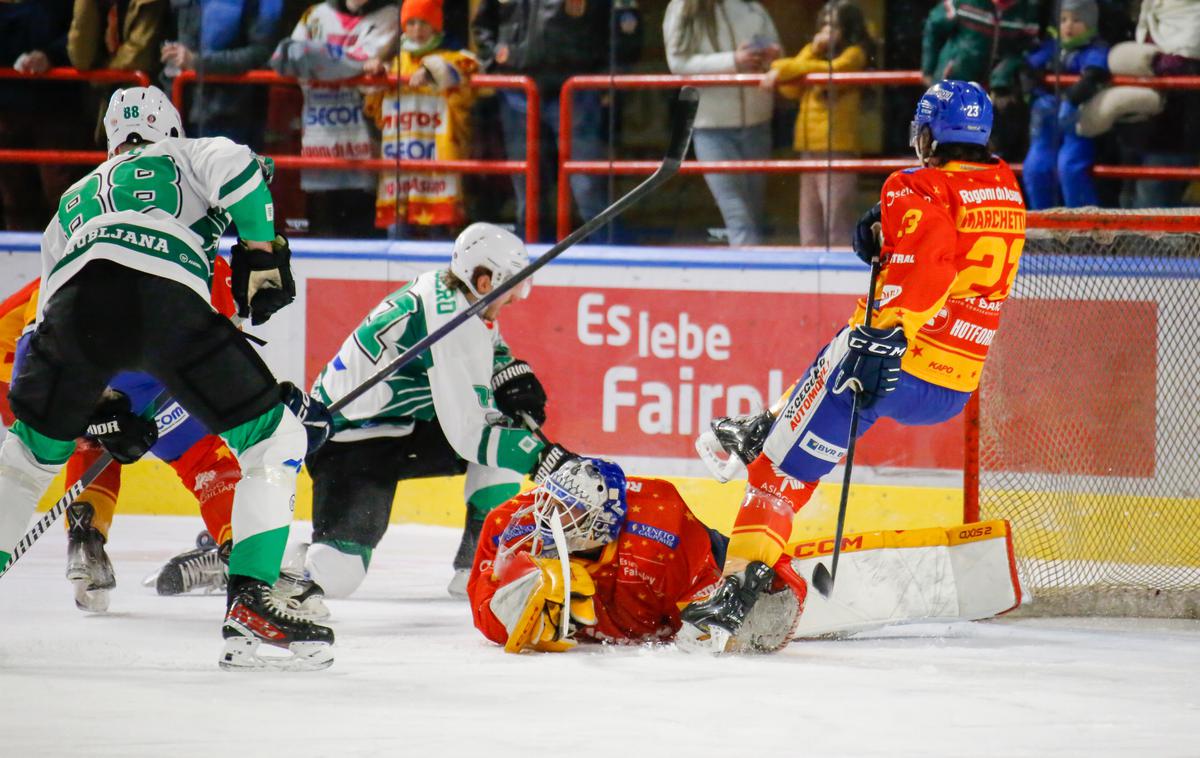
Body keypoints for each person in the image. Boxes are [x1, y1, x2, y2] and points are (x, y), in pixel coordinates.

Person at [0, 85, 334, 671]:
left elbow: (44, 319)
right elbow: (241, 170)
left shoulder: (72, 202)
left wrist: (100, 412)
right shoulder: (188, 154)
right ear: (170, 128)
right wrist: (261, 246)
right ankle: (252, 606)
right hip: (164, 297)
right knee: (273, 438)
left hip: (76, 309)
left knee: (26, 461)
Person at [681, 80, 1025, 647]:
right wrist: (892, 231)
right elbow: (953, 244)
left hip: (890, 367)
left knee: (778, 470)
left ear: (926, 133)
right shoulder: (1006, 187)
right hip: (954, 383)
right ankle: (771, 419)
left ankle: (740, 588)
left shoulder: (915, 185)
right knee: (830, 366)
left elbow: (929, 271)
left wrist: (887, 338)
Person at [279, 222, 576, 614]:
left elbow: (489, 346)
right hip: (350, 439)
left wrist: (508, 371)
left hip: (403, 424)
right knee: (337, 574)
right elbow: (471, 432)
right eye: (512, 287)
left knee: (507, 425)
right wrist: (544, 460)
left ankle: (479, 566)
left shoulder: (453, 291)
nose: (516, 299)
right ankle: (257, 561)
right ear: (485, 280)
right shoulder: (451, 323)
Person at [0, 260, 247, 612]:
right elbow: (223, 355)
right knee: (204, 456)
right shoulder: (202, 256)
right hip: (149, 368)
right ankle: (247, 567)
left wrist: (75, 417)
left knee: (89, 444)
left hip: (79, 366)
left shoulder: (68, 258)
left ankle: (85, 544)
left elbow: (26, 350)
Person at [472, 0, 643, 240]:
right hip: (517, 92)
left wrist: (608, 80)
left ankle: (611, 255)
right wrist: (494, 61)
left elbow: (626, 30)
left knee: (588, 185)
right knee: (527, 188)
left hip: (577, 89)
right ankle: (528, 258)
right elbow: (482, 25)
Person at [274, 0, 399, 237]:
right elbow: (289, 57)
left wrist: (316, 57)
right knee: (322, 224)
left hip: (366, 141)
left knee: (361, 227)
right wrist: (349, 65)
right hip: (319, 137)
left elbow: (364, 58)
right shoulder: (315, 14)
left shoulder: (390, 16)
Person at [663, 0, 780, 246]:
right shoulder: (683, 7)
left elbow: (778, 55)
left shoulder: (751, 7)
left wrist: (771, 56)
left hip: (758, 120)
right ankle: (750, 273)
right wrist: (733, 60)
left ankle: (752, 273)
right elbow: (678, 63)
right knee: (737, 212)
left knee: (753, 210)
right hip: (711, 126)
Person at [761, 0, 875, 248]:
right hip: (809, 147)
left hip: (838, 147)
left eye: (834, 25)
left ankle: (841, 271)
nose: (826, 31)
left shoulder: (855, 53)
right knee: (809, 220)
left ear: (848, 27)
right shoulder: (815, 55)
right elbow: (791, 90)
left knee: (836, 220)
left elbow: (830, 75)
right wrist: (811, 50)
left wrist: (781, 68)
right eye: (823, 25)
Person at [364, 0, 477, 239]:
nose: (416, 29)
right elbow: (373, 109)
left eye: (424, 22)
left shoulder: (454, 56)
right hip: (400, 166)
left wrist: (430, 70)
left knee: (439, 234)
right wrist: (376, 76)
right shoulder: (393, 61)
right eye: (411, 22)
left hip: (437, 167)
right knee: (397, 231)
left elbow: (469, 66)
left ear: (436, 25)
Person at [1, 0, 86, 231]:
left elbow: (83, 33)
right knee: (14, 198)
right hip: (8, 106)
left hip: (57, 106)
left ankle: (69, 258)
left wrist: (52, 56)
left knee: (62, 193)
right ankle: (16, 262)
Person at [921, 0, 1039, 160]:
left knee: (987, 151)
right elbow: (934, 25)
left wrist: (1002, 77)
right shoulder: (962, 2)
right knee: (945, 150)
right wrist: (929, 69)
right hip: (954, 87)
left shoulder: (1027, 8)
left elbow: (1026, 49)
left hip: (996, 94)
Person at [1021, 0, 1110, 209]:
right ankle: (1041, 226)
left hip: (1077, 120)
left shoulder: (1095, 49)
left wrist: (1071, 100)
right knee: (1035, 168)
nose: (1068, 26)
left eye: (1077, 20)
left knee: (1070, 167)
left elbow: (1094, 75)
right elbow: (1027, 69)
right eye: (1063, 20)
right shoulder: (1052, 47)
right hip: (1046, 122)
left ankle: (1083, 230)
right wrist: (1034, 95)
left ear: (1090, 23)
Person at [160, 0, 283, 147]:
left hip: (232, 117)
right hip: (182, 113)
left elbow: (261, 54)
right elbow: (170, 46)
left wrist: (197, 62)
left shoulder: (259, 5)